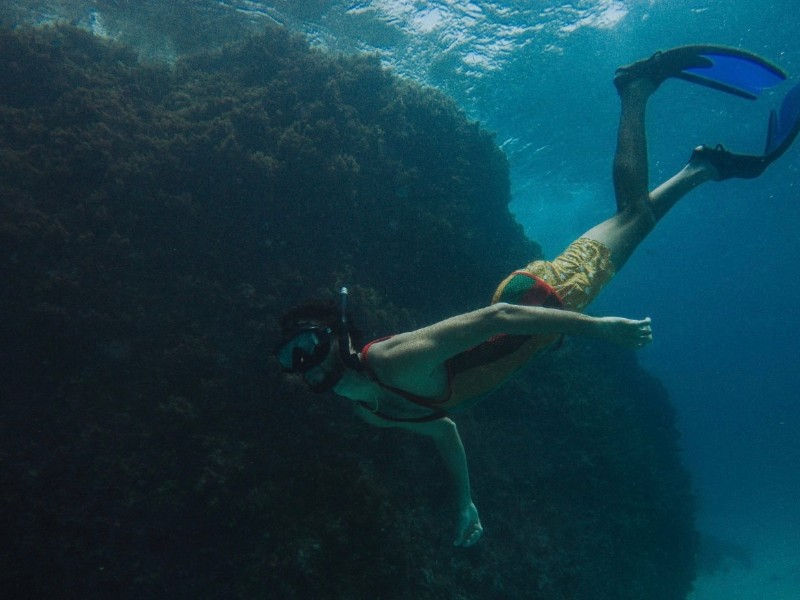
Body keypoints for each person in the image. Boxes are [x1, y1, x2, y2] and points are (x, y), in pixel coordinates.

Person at [275, 46, 800, 547]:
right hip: (539, 321)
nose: (307, 365)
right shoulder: (372, 411)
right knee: (630, 225)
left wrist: (600, 329)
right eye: (294, 361)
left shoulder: (392, 362)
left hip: (540, 301)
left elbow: (499, 316)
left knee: (632, 216)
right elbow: (445, 432)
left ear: (338, 338)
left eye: (309, 347)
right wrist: (465, 502)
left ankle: (636, 88)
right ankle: (703, 168)